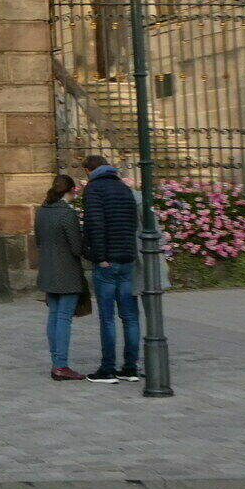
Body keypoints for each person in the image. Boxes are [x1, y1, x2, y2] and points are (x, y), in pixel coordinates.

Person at [81, 154, 142, 383]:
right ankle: (131, 367)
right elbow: (132, 223)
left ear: (89, 170)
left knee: (107, 317)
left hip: (107, 260)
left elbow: (95, 224)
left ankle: (107, 369)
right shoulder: (123, 188)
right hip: (127, 257)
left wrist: (99, 257)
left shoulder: (94, 189)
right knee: (130, 316)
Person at [34, 175, 87, 381]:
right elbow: (76, 247)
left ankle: (56, 361)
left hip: (47, 269)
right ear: (71, 190)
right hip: (66, 272)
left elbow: (38, 241)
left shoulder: (42, 211)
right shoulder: (67, 214)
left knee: (54, 316)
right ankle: (61, 365)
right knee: (64, 318)